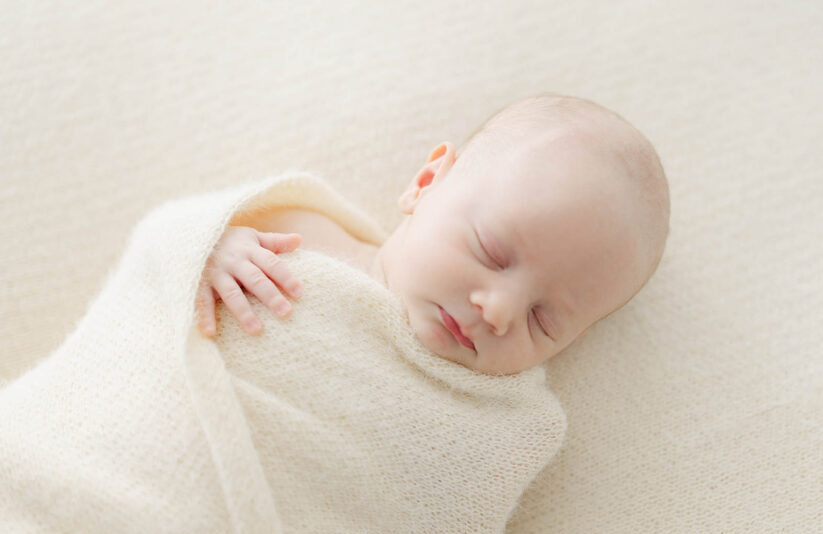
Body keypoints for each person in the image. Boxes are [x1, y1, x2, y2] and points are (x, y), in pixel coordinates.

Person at [195, 93, 670, 376]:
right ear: (426, 184)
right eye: (491, 252)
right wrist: (211, 251)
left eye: (542, 322)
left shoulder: (496, 422)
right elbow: (166, 266)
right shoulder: (300, 237)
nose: (500, 312)